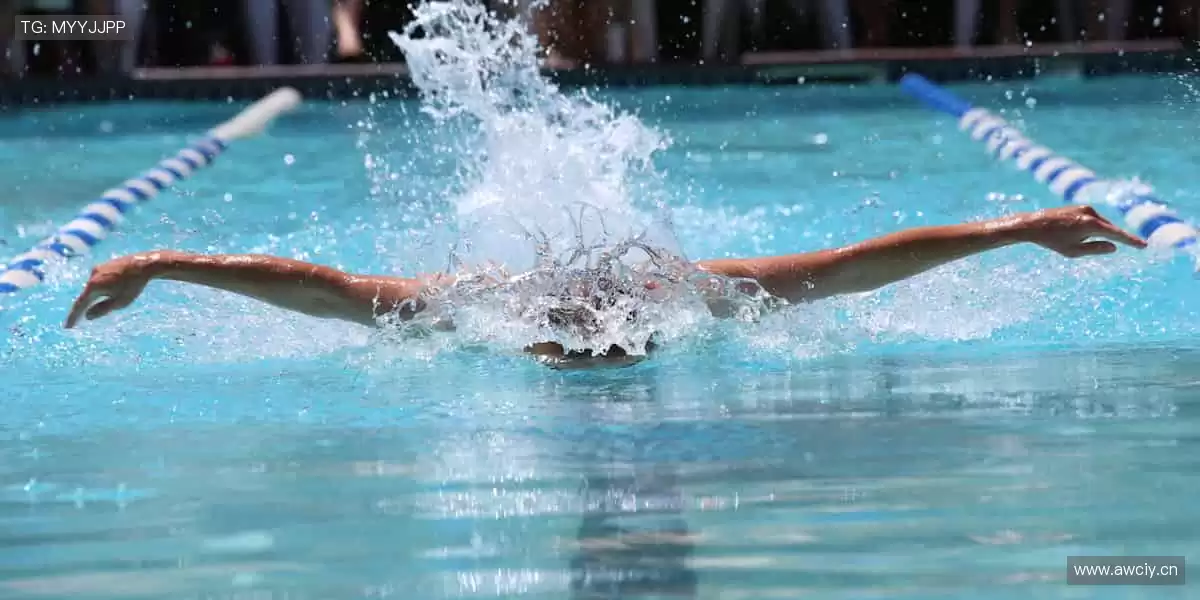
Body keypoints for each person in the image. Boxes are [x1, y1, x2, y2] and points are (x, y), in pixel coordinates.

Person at [64, 205, 1146, 369]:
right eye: (578, 343)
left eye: (614, 341)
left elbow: (856, 267)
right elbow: (323, 287)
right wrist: (155, 261)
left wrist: (1019, 230)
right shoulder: (475, 310)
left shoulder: (694, 297)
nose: (602, 355)